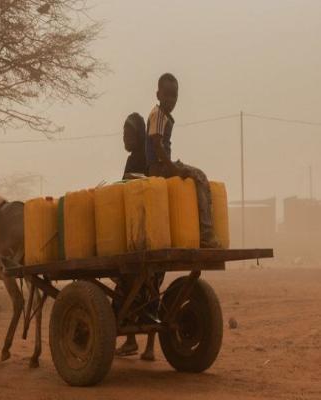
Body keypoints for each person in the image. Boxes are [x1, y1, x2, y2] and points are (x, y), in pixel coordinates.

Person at [146, 73, 220, 248]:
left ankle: (203, 231)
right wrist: (174, 169)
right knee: (199, 177)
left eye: (175, 96)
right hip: (159, 167)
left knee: (198, 176)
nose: (171, 100)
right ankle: (206, 234)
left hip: (163, 165)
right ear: (158, 95)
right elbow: (157, 145)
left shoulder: (163, 115)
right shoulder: (157, 114)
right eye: (167, 95)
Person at [115, 112, 157, 360]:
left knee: (138, 287)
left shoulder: (140, 160)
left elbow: (132, 189)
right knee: (148, 288)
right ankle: (138, 343)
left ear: (138, 135)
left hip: (142, 233)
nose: (123, 138)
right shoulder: (138, 157)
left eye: (127, 133)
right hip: (145, 230)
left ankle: (142, 343)